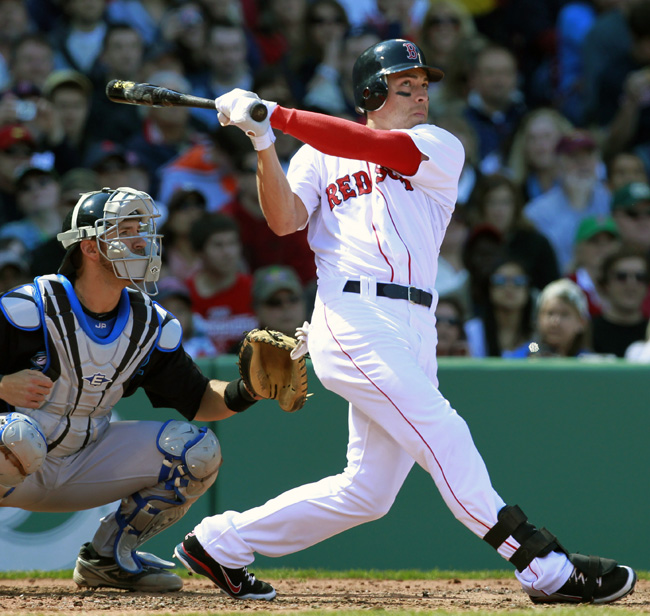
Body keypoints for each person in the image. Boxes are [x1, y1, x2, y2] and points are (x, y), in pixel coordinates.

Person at [174, 39, 637, 604]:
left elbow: (370, 144)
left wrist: (279, 115)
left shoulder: (438, 145)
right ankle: (540, 565)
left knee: (368, 493)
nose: (420, 95)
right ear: (370, 93)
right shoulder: (316, 156)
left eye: (423, 85)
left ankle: (222, 541)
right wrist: (263, 141)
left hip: (416, 322)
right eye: (405, 86)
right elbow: (283, 220)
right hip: (351, 313)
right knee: (442, 429)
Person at [0, 186, 274, 593]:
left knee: (196, 451)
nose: (142, 241)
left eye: (144, 230)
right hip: (12, 460)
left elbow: (199, 400)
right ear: (91, 248)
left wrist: (249, 389)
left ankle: (107, 559)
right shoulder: (27, 308)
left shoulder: (150, 323)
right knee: (20, 437)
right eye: (127, 231)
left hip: (81, 462)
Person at [464, 258, 535, 358]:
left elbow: (538, 361)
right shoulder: (473, 332)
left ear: (528, 290)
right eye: (500, 280)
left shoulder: (535, 337)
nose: (509, 287)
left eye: (518, 281)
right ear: (489, 288)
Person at [591, 246, 650, 356]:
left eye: (640, 277)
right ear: (606, 284)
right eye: (621, 276)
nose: (631, 284)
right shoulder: (588, 332)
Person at [567, 215, 621, 317]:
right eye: (594, 241)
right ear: (578, 248)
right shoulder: (567, 286)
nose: (603, 247)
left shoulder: (631, 281)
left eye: (610, 241)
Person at [528, 278, 591, 358]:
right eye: (550, 313)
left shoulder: (590, 364)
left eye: (564, 314)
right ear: (538, 319)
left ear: (582, 322)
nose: (555, 322)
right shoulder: (521, 359)